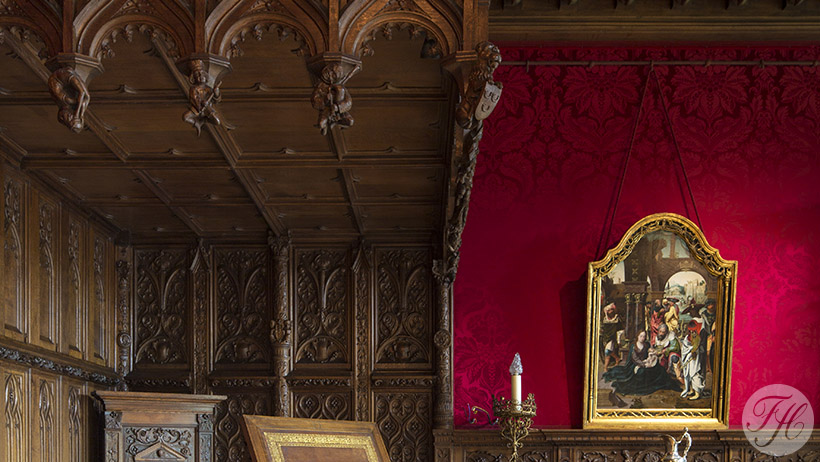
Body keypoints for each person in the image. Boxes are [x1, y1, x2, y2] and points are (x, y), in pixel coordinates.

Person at [603, 331, 682, 396]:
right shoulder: (634, 346)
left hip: (646, 362)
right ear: (638, 336)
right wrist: (643, 365)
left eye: (644, 336)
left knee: (660, 369)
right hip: (636, 364)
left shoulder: (646, 344)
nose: (642, 338)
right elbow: (635, 359)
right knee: (641, 372)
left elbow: (649, 352)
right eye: (641, 336)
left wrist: (652, 353)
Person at [680, 320, 705, 399]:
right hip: (688, 357)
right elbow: (685, 346)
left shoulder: (697, 337)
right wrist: (689, 350)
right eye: (690, 330)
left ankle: (697, 393)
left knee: (694, 373)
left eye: (693, 330)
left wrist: (693, 350)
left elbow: (696, 347)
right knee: (688, 373)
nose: (692, 332)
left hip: (694, 358)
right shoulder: (687, 337)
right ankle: (692, 390)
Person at [600, 302, 623, 370]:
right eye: (608, 310)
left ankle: (605, 367)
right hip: (605, 338)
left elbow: (620, 329)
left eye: (611, 310)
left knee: (607, 351)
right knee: (607, 352)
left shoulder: (617, 319)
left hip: (613, 338)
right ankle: (617, 358)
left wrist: (619, 339)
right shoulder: (605, 319)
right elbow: (603, 329)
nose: (610, 312)